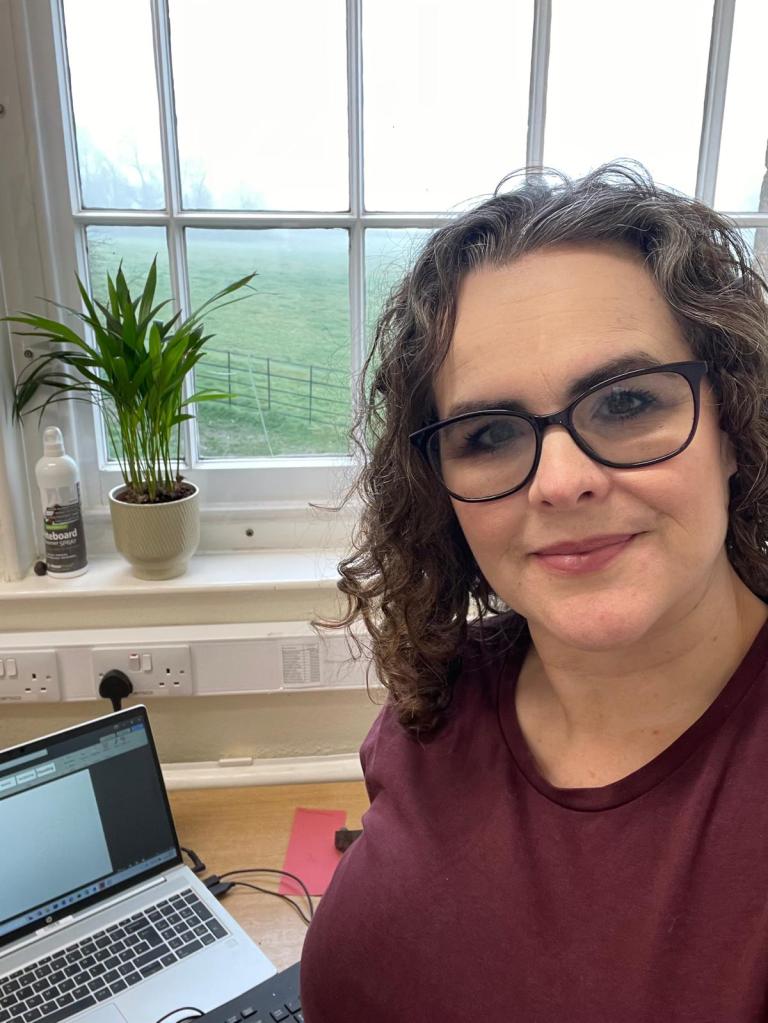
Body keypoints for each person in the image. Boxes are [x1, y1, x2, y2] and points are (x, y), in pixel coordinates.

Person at [299, 161, 768, 1021]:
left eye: (627, 402)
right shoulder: (440, 703)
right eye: (489, 434)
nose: (560, 481)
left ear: (733, 423)